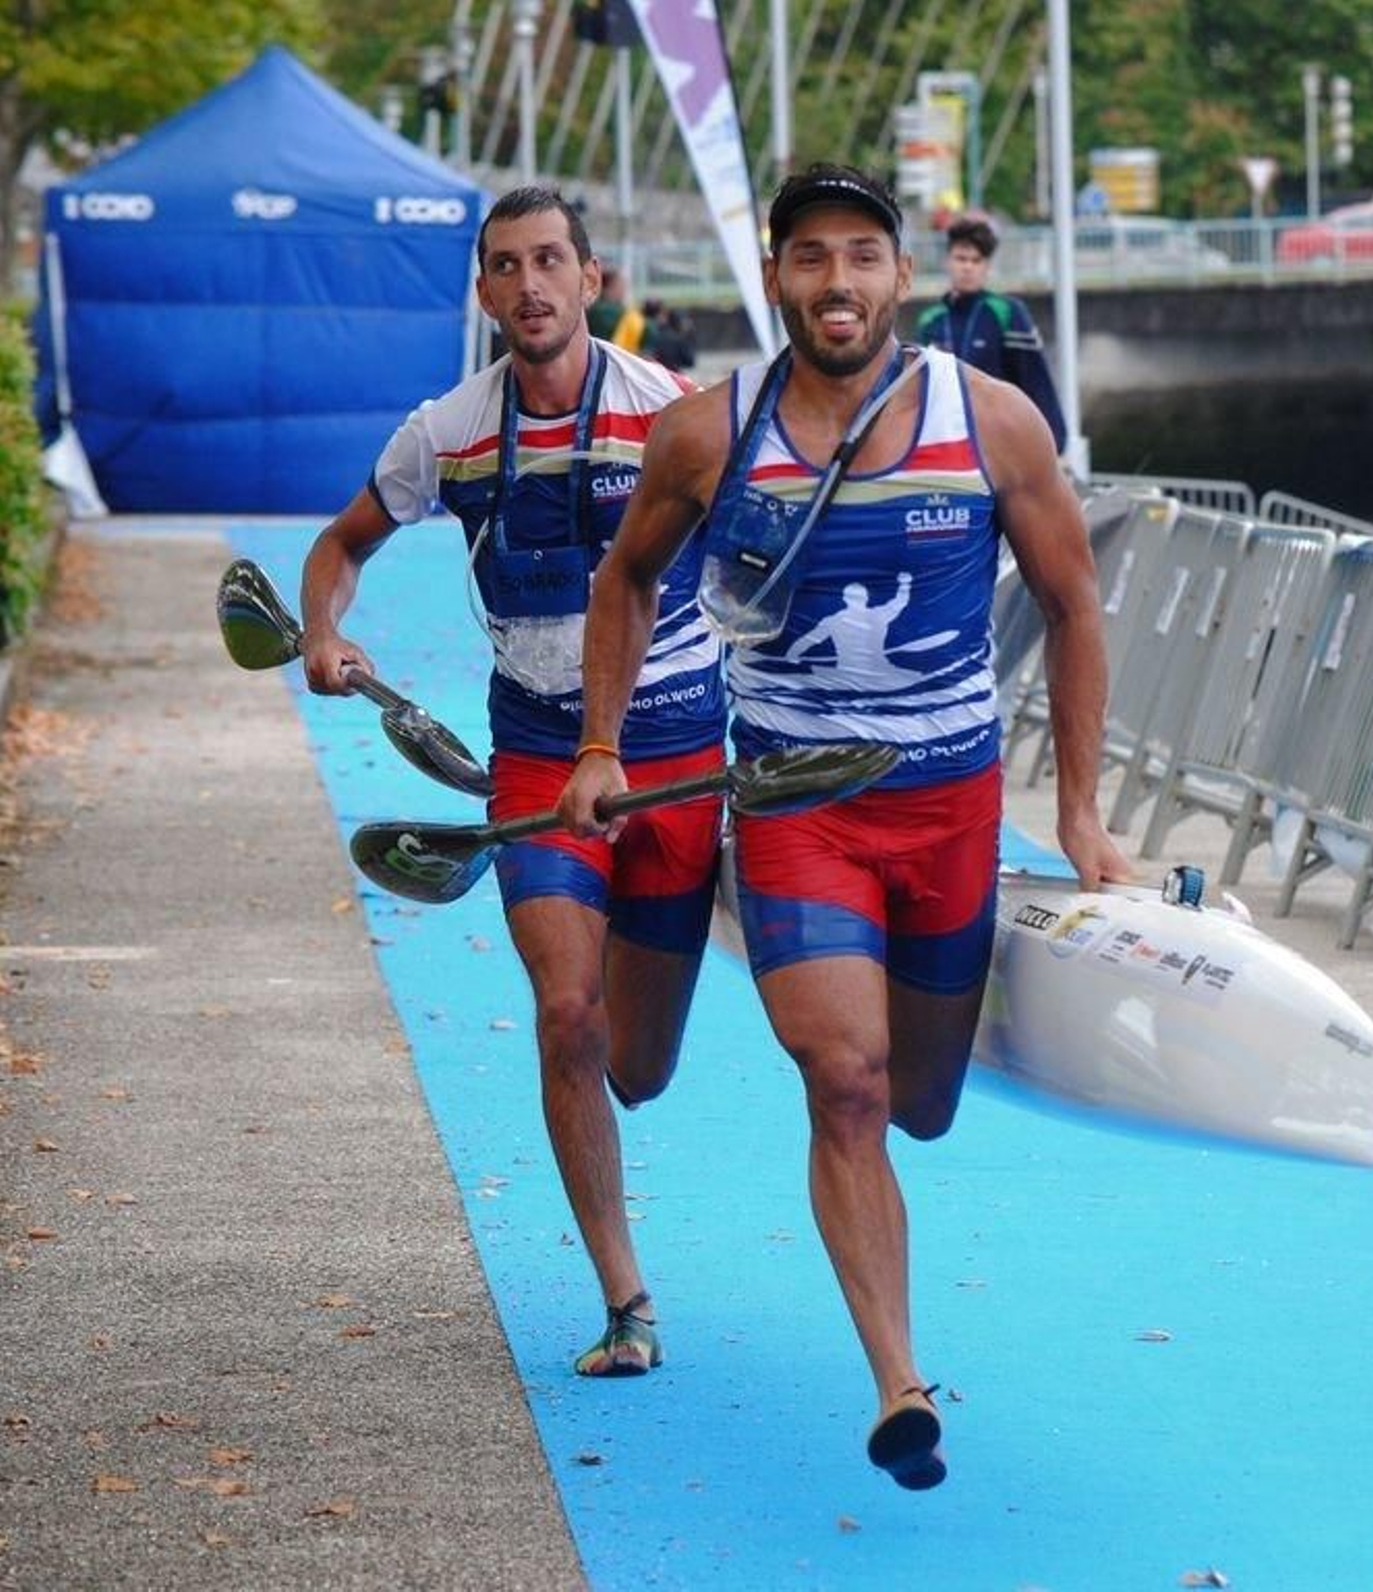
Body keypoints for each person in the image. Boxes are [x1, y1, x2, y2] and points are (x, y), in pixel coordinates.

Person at [559, 162, 1131, 1487]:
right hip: (795, 814)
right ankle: (897, 1381)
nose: (837, 281)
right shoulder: (706, 435)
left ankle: (912, 1109)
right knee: (848, 1082)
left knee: (920, 1101)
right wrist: (598, 743)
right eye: (810, 256)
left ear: (901, 278)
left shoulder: (990, 423)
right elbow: (624, 579)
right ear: (775, 277)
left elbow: (1073, 606)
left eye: (862, 255)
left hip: (948, 811)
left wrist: (1080, 814)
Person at [299, 186, 725, 1379]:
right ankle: (626, 1296)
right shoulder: (446, 430)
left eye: (549, 261)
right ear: (484, 290)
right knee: (567, 1013)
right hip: (537, 747)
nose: (529, 284)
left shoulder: (675, 414)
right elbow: (340, 544)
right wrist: (323, 629)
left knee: (639, 1063)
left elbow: (774, 552)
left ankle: (633, 1041)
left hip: (676, 747)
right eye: (505, 266)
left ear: (592, 278)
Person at [914, 214, 1068, 455]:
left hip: (1000, 446)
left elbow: (1036, 380)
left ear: (987, 266)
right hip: (948, 446)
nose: (967, 267)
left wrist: (1055, 443)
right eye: (961, 258)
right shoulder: (930, 319)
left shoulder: (1008, 312)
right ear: (948, 261)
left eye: (976, 260)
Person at [587, 264, 648, 353]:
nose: (624, 290)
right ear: (610, 287)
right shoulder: (623, 313)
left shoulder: (589, 309)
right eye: (621, 286)